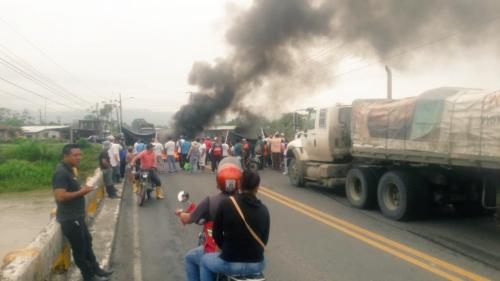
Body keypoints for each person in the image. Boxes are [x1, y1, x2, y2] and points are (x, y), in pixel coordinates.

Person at [52, 144, 113, 281]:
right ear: (66, 156)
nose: (79, 157)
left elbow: (71, 189)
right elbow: (60, 196)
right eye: (75, 155)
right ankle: (88, 276)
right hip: (69, 218)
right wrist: (82, 192)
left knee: (87, 242)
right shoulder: (61, 173)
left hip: (77, 216)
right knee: (79, 249)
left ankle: (97, 269)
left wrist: (81, 188)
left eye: (80, 154)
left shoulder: (70, 170)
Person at [176, 157, 242, 281]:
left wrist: (180, 213)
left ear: (219, 181)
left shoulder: (210, 202)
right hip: (245, 254)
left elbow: (188, 219)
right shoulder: (250, 203)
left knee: (190, 258)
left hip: (219, 253)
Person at [200, 170, 269, 281]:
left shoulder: (226, 203)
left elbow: (216, 233)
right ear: (257, 187)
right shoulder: (264, 210)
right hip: (256, 264)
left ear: (239, 184)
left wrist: (227, 249)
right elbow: (264, 240)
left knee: (204, 261)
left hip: (230, 262)